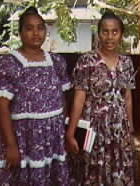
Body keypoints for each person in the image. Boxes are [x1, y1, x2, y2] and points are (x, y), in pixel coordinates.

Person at [0, 6, 71, 186]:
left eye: (40, 28)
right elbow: (0, 107)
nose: (36, 33)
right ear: (20, 32)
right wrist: (11, 145)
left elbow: (63, 99)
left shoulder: (57, 62)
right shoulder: (8, 64)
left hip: (51, 139)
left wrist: (63, 130)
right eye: (29, 28)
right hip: (22, 139)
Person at [66, 11, 137, 186]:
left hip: (120, 129)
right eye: (105, 31)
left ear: (121, 35)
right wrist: (70, 133)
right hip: (94, 129)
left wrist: (131, 129)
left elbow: (127, 97)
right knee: (93, 173)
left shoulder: (126, 63)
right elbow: (79, 99)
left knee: (119, 172)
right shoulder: (87, 61)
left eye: (115, 32)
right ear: (98, 33)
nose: (109, 37)